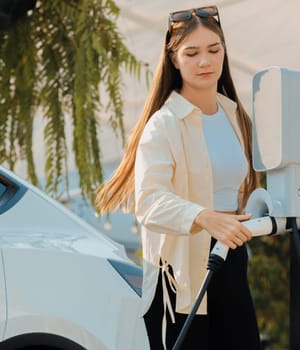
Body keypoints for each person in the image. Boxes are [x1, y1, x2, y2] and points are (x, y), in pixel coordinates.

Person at [95, 4, 262, 350]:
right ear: (174, 59)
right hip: (180, 277)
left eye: (214, 50)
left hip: (230, 263)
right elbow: (149, 202)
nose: (205, 61)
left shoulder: (236, 116)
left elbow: (240, 187)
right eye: (192, 53)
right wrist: (204, 217)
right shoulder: (163, 124)